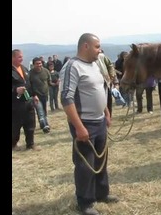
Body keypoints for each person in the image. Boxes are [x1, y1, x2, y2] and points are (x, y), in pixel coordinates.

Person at [60, 33, 118, 215]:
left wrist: (106, 113)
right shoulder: (72, 67)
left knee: (101, 160)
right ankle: (85, 202)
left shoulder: (95, 64)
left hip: (99, 121)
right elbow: (66, 99)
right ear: (85, 46)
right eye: (96, 46)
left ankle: (101, 193)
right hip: (84, 123)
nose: (99, 50)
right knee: (85, 165)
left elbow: (101, 89)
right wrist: (79, 127)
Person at [12, 49, 40, 151]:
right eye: (19, 57)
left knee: (30, 123)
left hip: (28, 102)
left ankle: (30, 144)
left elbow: (30, 83)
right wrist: (15, 90)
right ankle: (13, 144)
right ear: (13, 58)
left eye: (22, 56)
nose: (22, 58)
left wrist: (34, 95)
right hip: (16, 104)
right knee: (15, 125)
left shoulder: (24, 69)